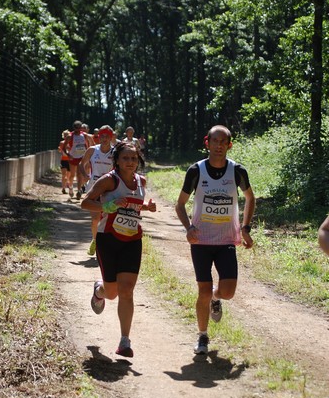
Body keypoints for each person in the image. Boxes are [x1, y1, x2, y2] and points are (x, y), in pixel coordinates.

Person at [175, 125, 255, 356]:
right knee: (203, 290)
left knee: (228, 292)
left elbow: (250, 198)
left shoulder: (237, 171)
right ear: (206, 142)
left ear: (229, 145)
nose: (219, 145)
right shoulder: (196, 171)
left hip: (227, 239)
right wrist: (188, 227)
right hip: (200, 241)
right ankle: (202, 336)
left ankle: (216, 299)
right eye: (215, 141)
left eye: (224, 142)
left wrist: (246, 228)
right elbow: (180, 204)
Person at [80, 142, 156, 358]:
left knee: (127, 290)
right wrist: (107, 207)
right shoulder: (109, 180)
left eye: (133, 158)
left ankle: (125, 341)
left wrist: (146, 208)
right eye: (125, 158)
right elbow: (85, 203)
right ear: (117, 160)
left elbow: (132, 206)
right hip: (109, 239)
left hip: (132, 240)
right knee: (111, 293)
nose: (130, 162)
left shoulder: (141, 181)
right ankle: (99, 290)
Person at [78, 125, 115, 256]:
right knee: (95, 219)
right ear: (99, 137)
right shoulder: (92, 150)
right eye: (102, 136)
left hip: (109, 189)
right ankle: (95, 240)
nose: (104, 139)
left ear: (111, 137)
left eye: (107, 136)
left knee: (108, 218)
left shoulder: (115, 152)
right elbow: (81, 164)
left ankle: (106, 244)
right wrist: (85, 175)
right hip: (93, 188)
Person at [62, 120, 91, 199]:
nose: (78, 130)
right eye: (76, 128)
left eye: (79, 128)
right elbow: (63, 147)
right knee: (72, 175)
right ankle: (71, 187)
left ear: (81, 128)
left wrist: (87, 155)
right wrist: (68, 155)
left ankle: (79, 191)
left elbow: (87, 146)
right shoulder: (70, 136)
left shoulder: (84, 135)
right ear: (74, 128)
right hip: (73, 157)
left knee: (79, 174)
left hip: (81, 157)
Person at [58, 129, 71, 193]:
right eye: (65, 135)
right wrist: (60, 149)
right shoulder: (62, 143)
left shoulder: (71, 143)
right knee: (64, 175)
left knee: (68, 176)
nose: (66, 136)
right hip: (63, 160)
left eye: (67, 135)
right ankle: (63, 188)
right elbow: (60, 150)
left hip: (70, 161)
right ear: (63, 136)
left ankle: (67, 184)